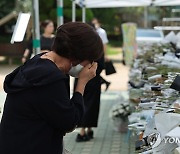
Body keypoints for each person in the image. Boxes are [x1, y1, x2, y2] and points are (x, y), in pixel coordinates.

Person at [0, 22, 103, 154]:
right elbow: (69, 122)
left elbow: (58, 115)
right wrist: (82, 82)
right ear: (78, 57)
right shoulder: (50, 78)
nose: (91, 66)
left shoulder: (39, 61)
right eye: (91, 61)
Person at [74, 23, 105, 142]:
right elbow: (101, 65)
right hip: (93, 78)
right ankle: (87, 130)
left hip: (80, 78)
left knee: (80, 102)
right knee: (92, 105)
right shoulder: (98, 47)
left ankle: (82, 131)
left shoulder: (78, 46)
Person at [92, 18, 111, 91]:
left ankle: (104, 82)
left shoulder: (102, 32)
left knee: (96, 72)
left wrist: (105, 55)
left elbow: (104, 44)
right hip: (94, 55)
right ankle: (105, 82)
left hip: (99, 55)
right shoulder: (92, 31)